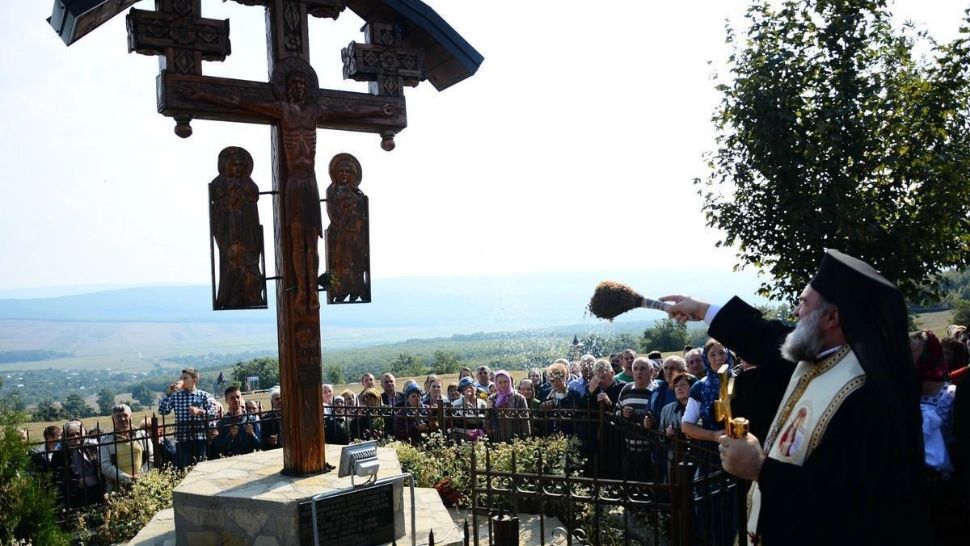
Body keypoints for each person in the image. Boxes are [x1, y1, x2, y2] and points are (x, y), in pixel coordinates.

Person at [663, 249, 928, 545]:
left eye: (803, 303)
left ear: (831, 317)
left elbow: (843, 502)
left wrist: (760, 469)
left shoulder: (866, 396)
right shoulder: (818, 354)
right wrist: (699, 309)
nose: (795, 312)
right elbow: (765, 335)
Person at [157, 368, 219, 468]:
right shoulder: (175, 396)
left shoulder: (204, 395)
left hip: (200, 438)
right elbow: (163, 410)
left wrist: (199, 411)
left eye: (185, 378)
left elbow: (213, 413)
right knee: (184, 469)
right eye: (181, 378)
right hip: (182, 439)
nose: (181, 380)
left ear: (195, 379)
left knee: (201, 467)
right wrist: (168, 393)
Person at [99, 404, 153, 493]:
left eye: (125, 415)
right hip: (118, 487)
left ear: (131, 417)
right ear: (113, 419)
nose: (122, 419)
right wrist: (127, 478)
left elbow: (151, 457)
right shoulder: (106, 440)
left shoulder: (142, 435)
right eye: (118, 416)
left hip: (143, 483)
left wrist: (140, 476)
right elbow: (105, 466)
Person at [51, 420, 104, 507]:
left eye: (77, 433)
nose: (75, 437)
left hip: (97, 490)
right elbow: (57, 476)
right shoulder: (59, 454)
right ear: (66, 436)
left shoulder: (91, 447)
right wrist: (73, 482)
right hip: (75, 494)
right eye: (71, 435)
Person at [212, 386, 261, 458]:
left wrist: (252, 433)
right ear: (226, 400)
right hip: (231, 460)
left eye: (238, 397)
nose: (236, 400)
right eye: (232, 398)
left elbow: (261, 444)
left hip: (250, 458)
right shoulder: (222, 423)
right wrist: (230, 435)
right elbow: (217, 448)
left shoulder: (252, 419)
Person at [486, 370, 530, 442]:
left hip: (516, 437)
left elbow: (525, 421)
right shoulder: (492, 398)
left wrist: (526, 438)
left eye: (505, 382)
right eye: (500, 382)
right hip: (497, 437)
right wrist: (489, 409)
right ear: (496, 383)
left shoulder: (519, 398)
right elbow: (487, 420)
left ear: (509, 382)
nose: (503, 385)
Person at [449, 377, 486, 442]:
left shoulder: (482, 403)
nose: (469, 389)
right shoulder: (456, 403)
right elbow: (461, 419)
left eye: (471, 386)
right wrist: (466, 402)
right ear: (462, 392)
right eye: (465, 388)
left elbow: (484, 420)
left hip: (478, 435)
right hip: (462, 435)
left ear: (476, 388)